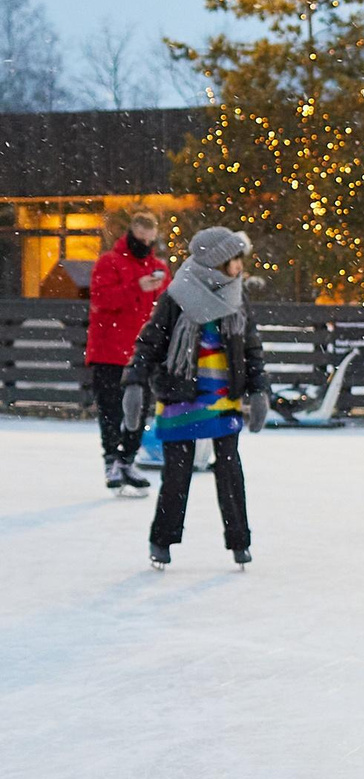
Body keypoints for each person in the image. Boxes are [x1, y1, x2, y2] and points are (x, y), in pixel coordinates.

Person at [123, 226, 267, 568]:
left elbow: (251, 348)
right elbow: (150, 343)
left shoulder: (237, 296)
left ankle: (239, 542)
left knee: (230, 471)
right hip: (180, 396)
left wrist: (259, 389)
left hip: (223, 400)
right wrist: (134, 383)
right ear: (216, 261)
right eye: (235, 259)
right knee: (177, 474)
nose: (240, 266)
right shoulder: (177, 296)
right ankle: (162, 541)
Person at [88, 207, 170, 492]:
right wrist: (137, 287)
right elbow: (101, 299)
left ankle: (126, 459)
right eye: (141, 238)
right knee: (111, 409)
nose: (144, 244)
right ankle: (112, 459)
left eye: (149, 239)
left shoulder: (158, 268)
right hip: (109, 349)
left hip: (141, 353)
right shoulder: (109, 262)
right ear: (131, 234)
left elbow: (166, 306)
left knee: (139, 409)